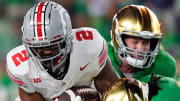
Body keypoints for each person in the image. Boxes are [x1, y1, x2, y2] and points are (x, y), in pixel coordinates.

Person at [6, 1, 119, 101]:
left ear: (68, 37)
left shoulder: (89, 45)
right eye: (38, 48)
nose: (46, 53)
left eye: (52, 46)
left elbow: (113, 89)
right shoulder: (21, 65)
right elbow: (29, 97)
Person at [108, 5, 176, 79]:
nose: (140, 49)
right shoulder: (100, 57)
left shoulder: (164, 65)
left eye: (145, 42)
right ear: (118, 40)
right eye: (135, 42)